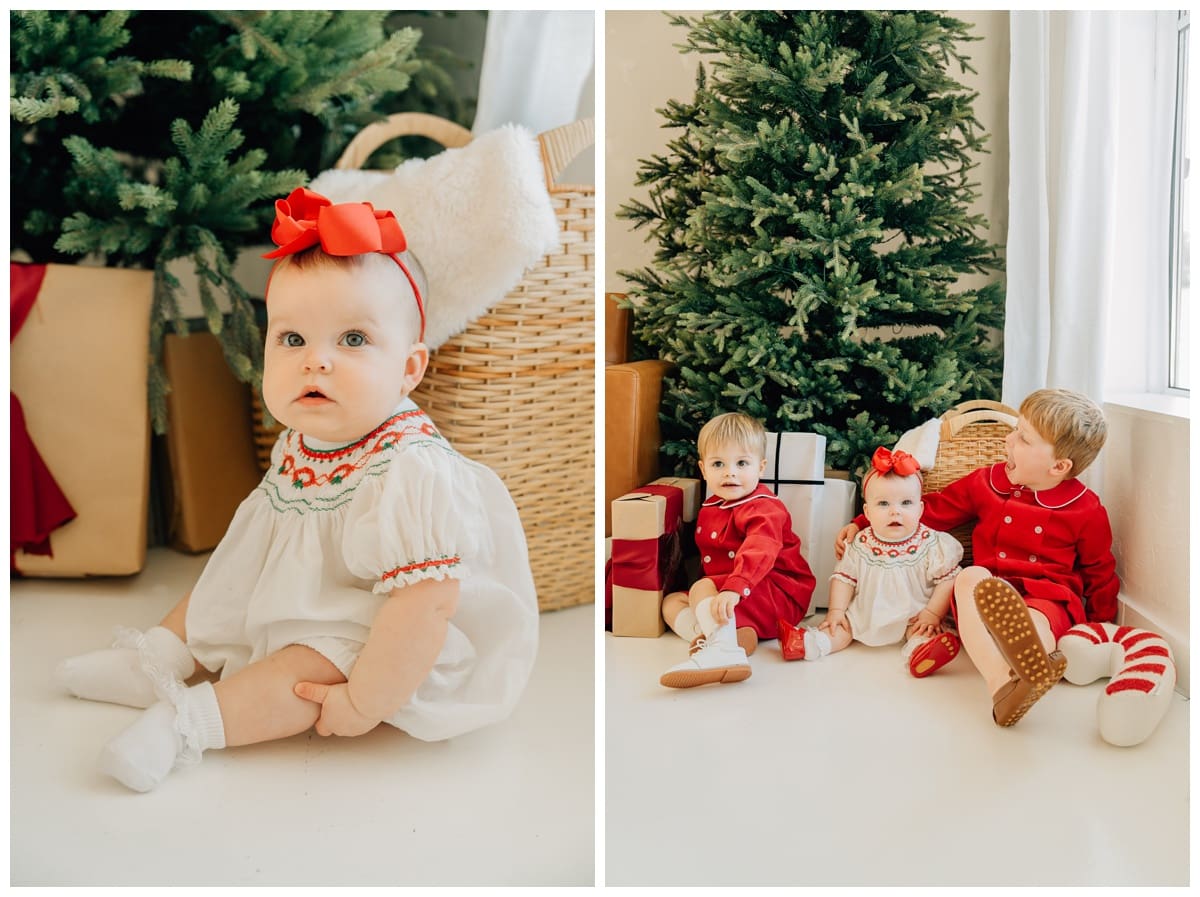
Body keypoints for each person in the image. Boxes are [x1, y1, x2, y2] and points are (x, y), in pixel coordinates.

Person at [57, 188, 539, 791]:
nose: (317, 362)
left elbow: (425, 606)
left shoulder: (413, 468)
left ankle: (187, 725)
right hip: (303, 597)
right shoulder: (301, 440)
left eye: (353, 340)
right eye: (292, 340)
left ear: (409, 369)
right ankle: (157, 658)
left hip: (383, 639)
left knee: (307, 671)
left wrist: (366, 699)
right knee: (224, 579)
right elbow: (263, 549)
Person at [835, 388, 1119, 726]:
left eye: (1023, 439)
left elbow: (1099, 570)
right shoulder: (988, 482)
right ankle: (1002, 683)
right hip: (989, 592)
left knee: (1038, 620)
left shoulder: (1085, 509)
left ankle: (1027, 666)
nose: (1009, 441)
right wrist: (865, 522)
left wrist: (1100, 629)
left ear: (1058, 466)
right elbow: (934, 510)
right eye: (1015, 431)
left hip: (1046, 597)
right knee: (967, 577)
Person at [659, 412, 815, 688]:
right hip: (734, 597)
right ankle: (723, 640)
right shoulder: (712, 506)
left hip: (773, 592)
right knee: (672, 603)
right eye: (718, 463)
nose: (730, 472)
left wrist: (733, 588)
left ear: (761, 467)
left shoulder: (765, 508)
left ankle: (721, 649)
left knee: (701, 588)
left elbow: (760, 549)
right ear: (704, 470)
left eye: (742, 463)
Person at [784, 447, 963, 676]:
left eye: (906, 503)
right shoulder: (860, 542)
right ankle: (811, 644)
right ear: (866, 512)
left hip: (915, 613)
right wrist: (836, 611)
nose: (895, 512)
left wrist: (933, 614)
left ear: (920, 509)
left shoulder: (931, 542)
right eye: (884, 504)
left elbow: (948, 580)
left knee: (923, 631)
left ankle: (921, 652)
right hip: (865, 613)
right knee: (842, 627)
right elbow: (844, 578)